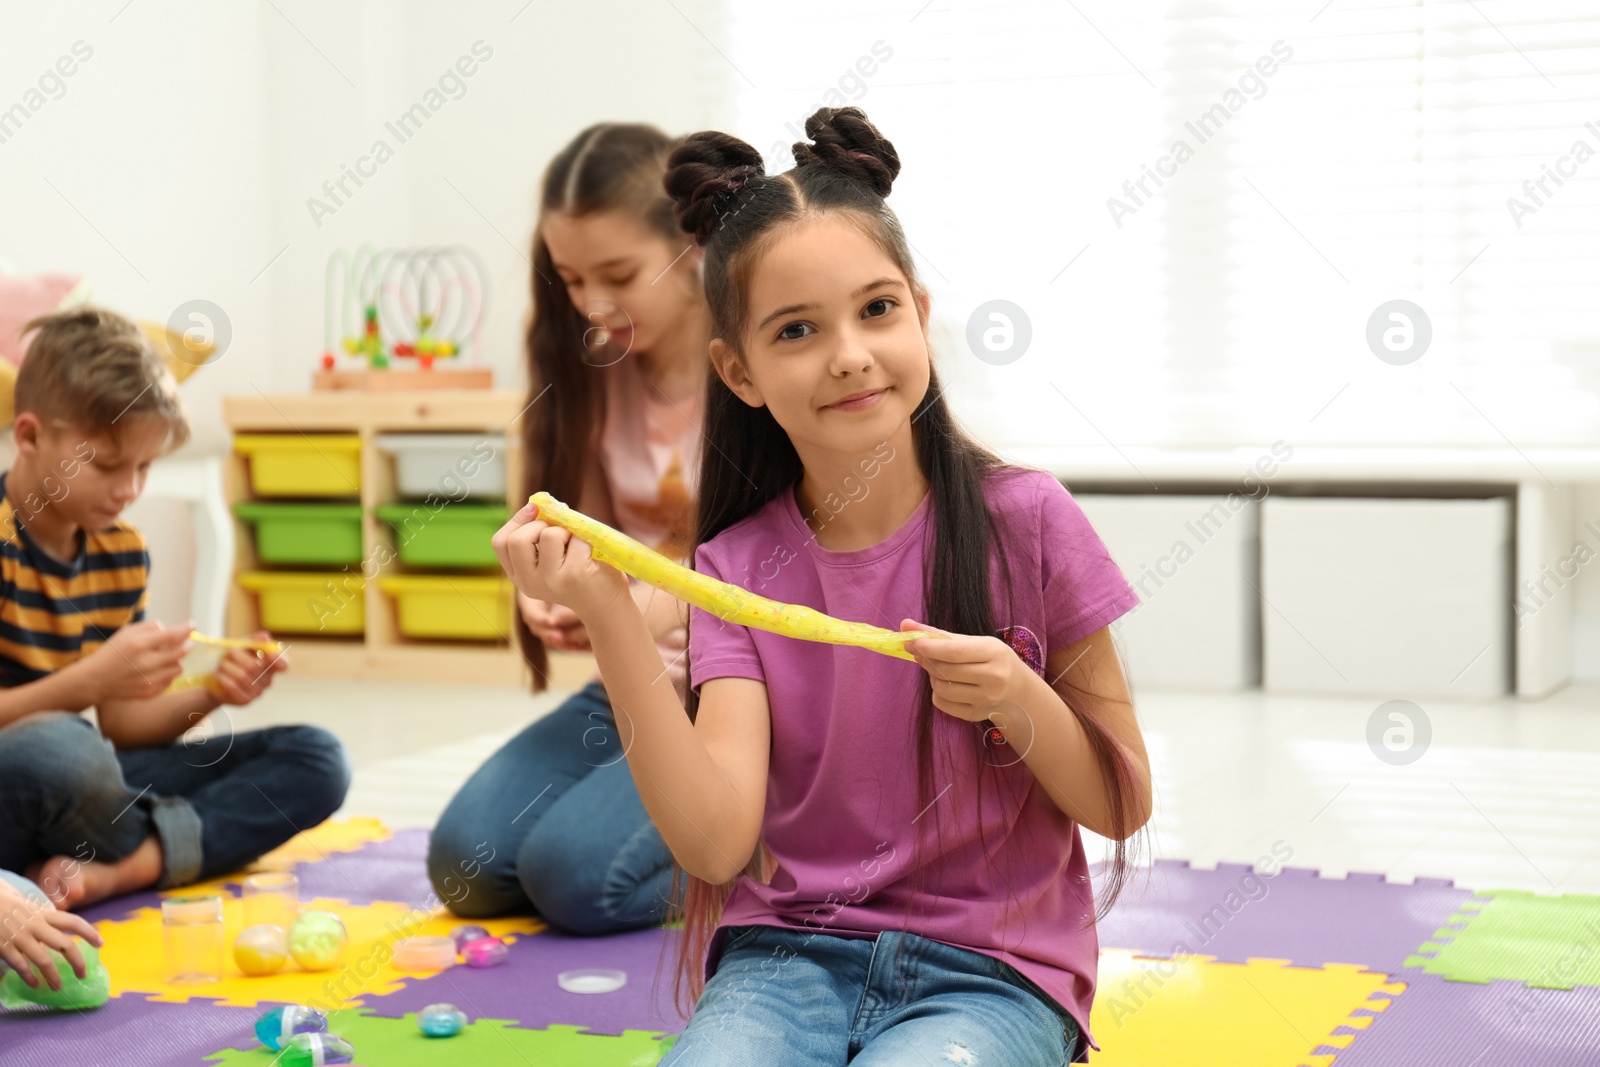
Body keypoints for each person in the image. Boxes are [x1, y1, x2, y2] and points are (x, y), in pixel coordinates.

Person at [491, 105, 1154, 1064]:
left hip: (995, 976)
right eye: (796, 329)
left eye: (877, 309)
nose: (848, 352)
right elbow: (717, 846)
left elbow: (1122, 802)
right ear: (741, 370)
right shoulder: (732, 570)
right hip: (784, 961)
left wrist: (1018, 693)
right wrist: (605, 613)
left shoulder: (1031, 519)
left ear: (920, 315)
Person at [427, 123, 710, 933]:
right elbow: (576, 532)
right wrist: (549, 591)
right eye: (571, 277)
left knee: (582, 882)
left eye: (618, 274)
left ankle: (766, 845)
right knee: (465, 868)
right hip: (630, 683)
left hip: (736, 699)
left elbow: (747, 566)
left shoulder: (755, 367)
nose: (591, 303)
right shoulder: (594, 370)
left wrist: (614, 601)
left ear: (692, 248)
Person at [0, 308, 349, 910]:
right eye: (108, 466)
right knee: (64, 751)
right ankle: (170, 842)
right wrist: (91, 679)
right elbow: (86, 733)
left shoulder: (122, 552)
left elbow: (125, 727)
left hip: (95, 792)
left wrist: (215, 690)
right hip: (28, 784)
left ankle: (122, 869)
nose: (129, 489)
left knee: (317, 758)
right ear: (29, 436)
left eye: (144, 467)